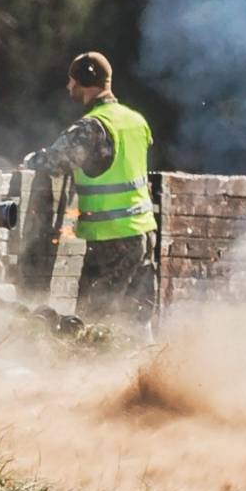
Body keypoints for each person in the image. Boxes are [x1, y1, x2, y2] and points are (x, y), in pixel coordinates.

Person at [22, 52, 158, 339]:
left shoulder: (92, 126)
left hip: (112, 237)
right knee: (135, 319)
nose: (68, 86)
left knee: (95, 320)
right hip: (143, 232)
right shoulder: (135, 120)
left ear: (83, 81)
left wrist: (30, 162)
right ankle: (146, 377)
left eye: (72, 80)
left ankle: (98, 378)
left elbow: (57, 161)